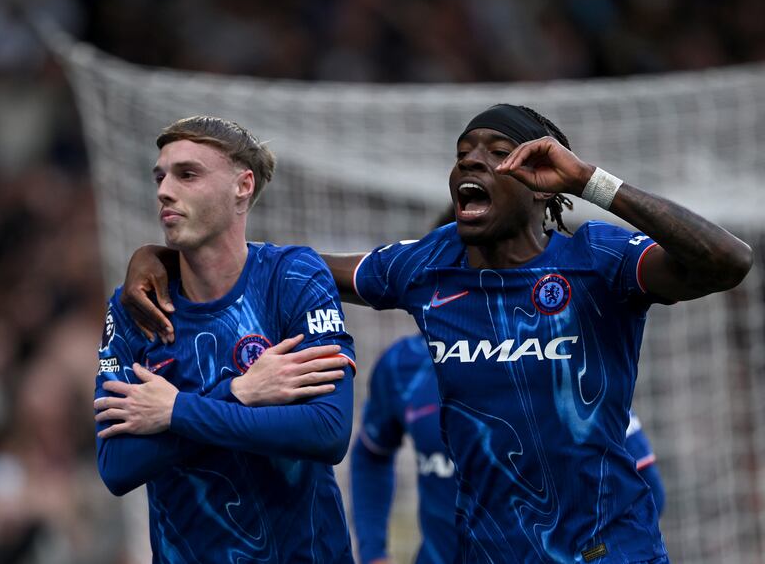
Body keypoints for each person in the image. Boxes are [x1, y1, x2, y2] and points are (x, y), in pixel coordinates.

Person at [121, 104, 752, 562]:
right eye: (462, 152)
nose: (472, 160)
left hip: (607, 550)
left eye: (497, 152)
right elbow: (294, 268)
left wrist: (592, 182)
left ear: (544, 187)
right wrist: (169, 255)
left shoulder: (596, 260)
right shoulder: (430, 264)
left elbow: (728, 261)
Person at [92, 116, 358, 562]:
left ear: (243, 186)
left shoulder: (293, 277)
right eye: (160, 177)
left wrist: (176, 411)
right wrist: (238, 392)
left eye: (187, 174)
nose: (164, 190)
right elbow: (117, 466)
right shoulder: (136, 305)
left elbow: (328, 430)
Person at [351, 332, 666, 564]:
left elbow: (647, 488)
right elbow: (371, 453)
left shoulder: (560, 357)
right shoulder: (403, 365)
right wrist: (373, 552)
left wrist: (585, 556)